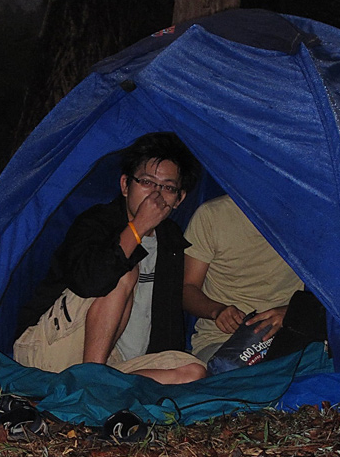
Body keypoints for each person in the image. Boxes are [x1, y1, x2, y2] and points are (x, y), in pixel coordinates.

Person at [13, 133, 206, 385]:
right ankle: (94, 382)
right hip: (48, 349)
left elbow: (168, 321)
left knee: (193, 371)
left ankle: (99, 385)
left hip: (114, 362)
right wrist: (138, 227)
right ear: (125, 185)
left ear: (179, 199)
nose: (156, 195)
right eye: (147, 182)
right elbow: (90, 282)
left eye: (168, 188)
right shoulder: (97, 222)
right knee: (123, 270)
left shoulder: (171, 240)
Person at [182, 195, 304, 364]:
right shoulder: (213, 214)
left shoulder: (306, 215)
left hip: (288, 340)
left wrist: (294, 312)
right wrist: (217, 311)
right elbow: (187, 288)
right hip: (223, 342)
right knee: (244, 375)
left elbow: (334, 294)